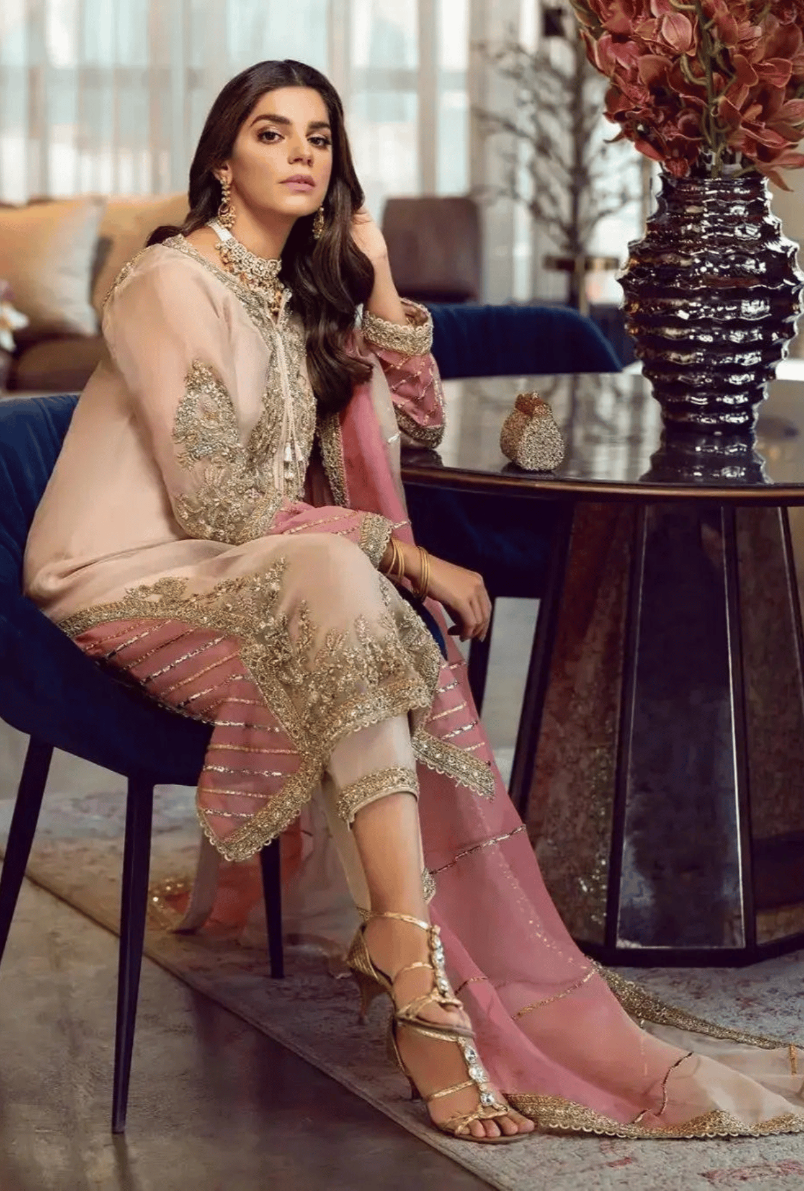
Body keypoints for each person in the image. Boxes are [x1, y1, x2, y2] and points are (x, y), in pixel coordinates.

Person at [24, 60, 804, 1144]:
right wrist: (407, 556)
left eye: (321, 137)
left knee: (352, 607)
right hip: (127, 570)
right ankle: (416, 972)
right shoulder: (170, 283)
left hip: (257, 569)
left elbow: (418, 420)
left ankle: (408, 955)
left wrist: (378, 275)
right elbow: (219, 500)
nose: (302, 153)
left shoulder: (300, 284)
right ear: (220, 158)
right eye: (271, 132)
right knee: (355, 585)